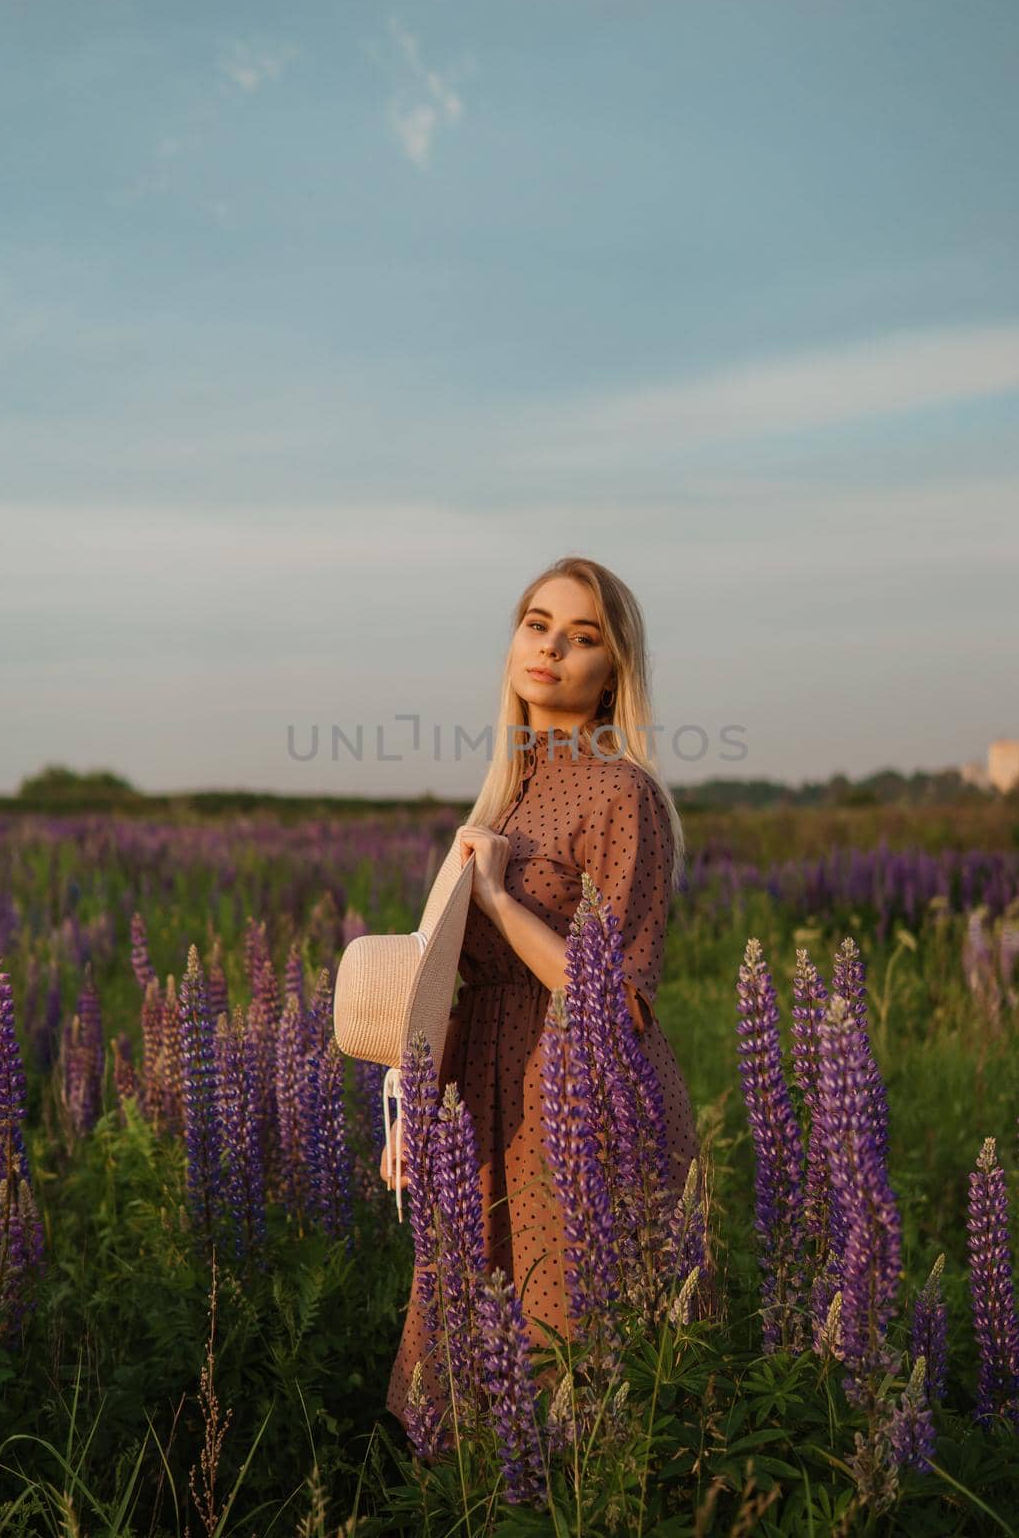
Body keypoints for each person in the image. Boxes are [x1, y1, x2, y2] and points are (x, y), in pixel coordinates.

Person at [381, 554, 699, 1438]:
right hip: (477, 1095)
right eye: (537, 623)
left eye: (582, 636)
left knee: (572, 1368)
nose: (552, 647)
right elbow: (453, 977)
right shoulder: (508, 787)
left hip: (578, 1102)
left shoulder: (621, 791)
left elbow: (619, 999)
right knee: (466, 1363)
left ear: (612, 675)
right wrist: (412, 1110)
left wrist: (497, 901)